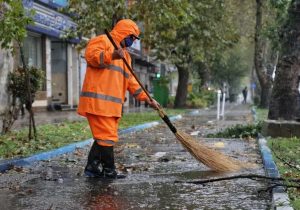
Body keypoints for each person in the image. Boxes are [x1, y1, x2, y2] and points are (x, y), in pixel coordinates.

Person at [77, 19, 159, 179]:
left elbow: (132, 81)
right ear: (124, 33)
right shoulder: (102, 41)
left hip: (111, 107)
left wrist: (148, 99)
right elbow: (91, 56)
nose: (133, 41)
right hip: (98, 103)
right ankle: (109, 171)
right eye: (132, 37)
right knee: (107, 137)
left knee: (105, 137)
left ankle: (92, 167)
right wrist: (112, 55)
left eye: (135, 39)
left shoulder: (126, 57)